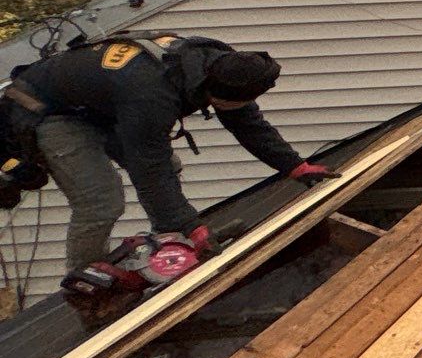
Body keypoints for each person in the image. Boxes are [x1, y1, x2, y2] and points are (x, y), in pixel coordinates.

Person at [2, 35, 333, 291]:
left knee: (169, 169)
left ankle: (168, 238)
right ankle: (85, 275)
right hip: (49, 111)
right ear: (213, 91)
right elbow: (149, 168)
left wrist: (294, 166)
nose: (244, 107)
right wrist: (194, 228)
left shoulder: (220, 67)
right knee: (101, 200)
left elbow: (246, 123)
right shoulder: (151, 93)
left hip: (100, 105)